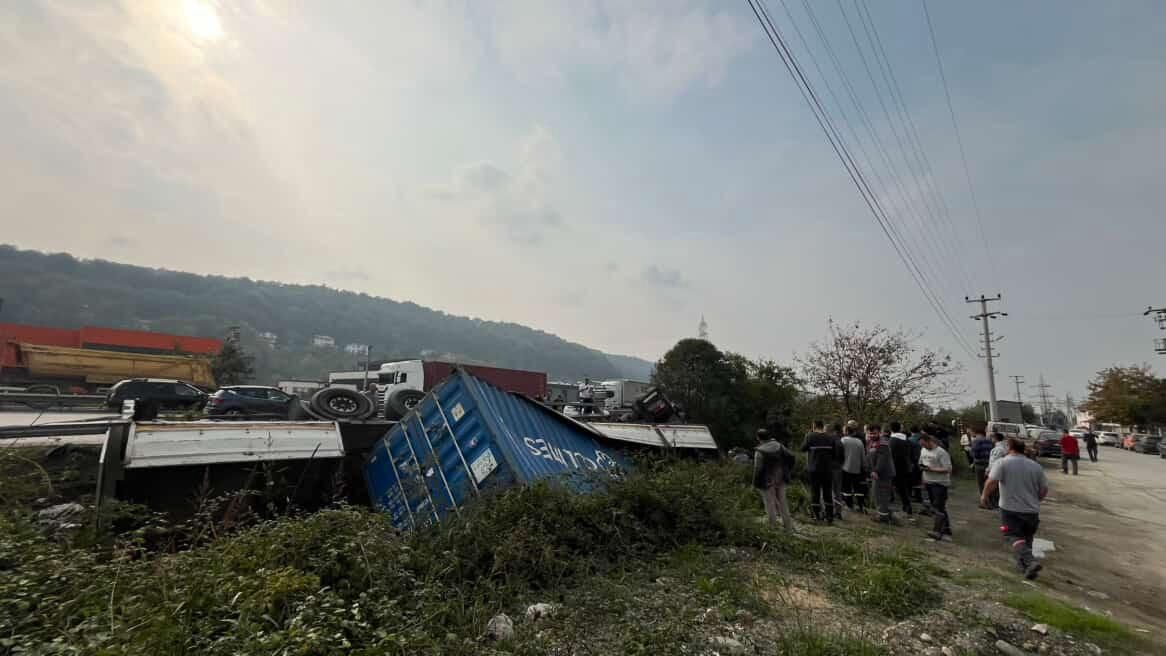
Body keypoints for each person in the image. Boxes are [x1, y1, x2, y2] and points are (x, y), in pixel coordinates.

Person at [982, 438, 1049, 580]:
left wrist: (984, 496)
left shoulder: (1002, 462)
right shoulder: (1035, 466)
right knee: (1027, 539)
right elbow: (1044, 489)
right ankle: (1027, 569)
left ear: (1009, 448)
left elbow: (991, 481)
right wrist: (1036, 501)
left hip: (1010, 509)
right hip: (1031, 511)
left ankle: (1030, 562)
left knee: (1012, 536)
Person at [753, 429, 794, 531]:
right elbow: (791, 457)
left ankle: (773, 526)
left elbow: (757, 470)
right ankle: (788, 526)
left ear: (758, 438)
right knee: (783, 502)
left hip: (767, 480)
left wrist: (755, 483)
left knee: (769, 503)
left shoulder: (759, 451)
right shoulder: (780, 446)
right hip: (781, 478)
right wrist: (787, 470)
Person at [802, 420, 842, 524]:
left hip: (814, 469)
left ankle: (817, 515)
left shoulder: (810, 436)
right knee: (827, 493)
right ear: (822, 426)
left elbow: (803, 448)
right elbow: (834, 454)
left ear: (814, 426)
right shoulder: (830, 437)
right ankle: (830, 517)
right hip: (828, 470)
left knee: (815, 492)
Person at [919, 433, 953, 540]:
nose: (923, 447)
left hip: (939, 483)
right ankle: (946, 528)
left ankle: (938, 531)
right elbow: (921, 462)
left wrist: (932, 469)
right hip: (928, 481)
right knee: (936, 506)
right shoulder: (923, 450)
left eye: (925, 444)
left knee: (939, 506)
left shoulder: (941, 452)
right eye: (922, 445)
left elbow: (948, 469)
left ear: (930, 441)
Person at [868, 424, 896, 523]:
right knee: (877, 494)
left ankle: (883, 516)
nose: (872, 435)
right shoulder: (872, 442)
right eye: (870, 433)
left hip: (884, 473)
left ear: (880, 433)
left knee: (882, 495)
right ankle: (882, 513)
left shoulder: (883, 443)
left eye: (874, 433)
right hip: (877, 473)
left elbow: (882, 460)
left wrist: (876, 471)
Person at [840, 424, 868, 512]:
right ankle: (860, 505)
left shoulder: (843, 440)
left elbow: (840, 454)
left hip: (845, 468)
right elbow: (863, 456)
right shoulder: (859, 442)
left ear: (847, 432)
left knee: (846, 488)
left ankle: (849, 505)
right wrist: (864, 466)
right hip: (857, 469)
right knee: (858, 489)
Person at [889, 422, 914, 517]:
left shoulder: (892, 440)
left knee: (896, 487)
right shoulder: (906, 439)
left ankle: (905, 507)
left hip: (895, 467)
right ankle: (907, 506)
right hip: (905, 466)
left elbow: (890, 455)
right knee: (902, 488)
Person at [982, 432, 1007, 509]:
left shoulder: (997, 449)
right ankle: (995, 503)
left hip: (995, 471)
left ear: (995, 439)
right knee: (997, 488)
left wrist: (988, 470)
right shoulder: (1004, 447)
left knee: (992, 488)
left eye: (992, 438)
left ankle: (992, 504)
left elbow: (994, 461)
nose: (991, 439)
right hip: (1002, 470)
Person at [970, 427, 994, 495]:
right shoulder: (990, 441)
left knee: (981, 483)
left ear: (976, 433)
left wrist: (971, 452)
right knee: (987, 482)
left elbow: (975, 454)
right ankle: (990, 498)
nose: (971, 433)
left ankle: (984, 500)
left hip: (979, 464)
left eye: (972, 432)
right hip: (989, 464)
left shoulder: (976, 441)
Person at [830, 423, 846, 520]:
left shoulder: (830, 440)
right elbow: (843, 457)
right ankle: (838, 512)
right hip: (838, 468)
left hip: (830, 467)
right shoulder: (840, 441)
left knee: (829, 490)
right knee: (837, 491)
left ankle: (830, 510)